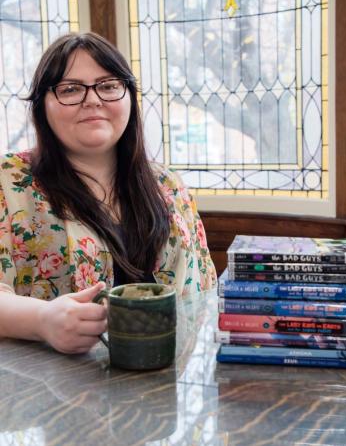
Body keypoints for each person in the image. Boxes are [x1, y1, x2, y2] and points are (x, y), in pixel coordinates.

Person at [0, 32, 216, 354]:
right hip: (49, 389)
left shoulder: (169, 186)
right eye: (70, 89)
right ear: (41, 105)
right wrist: (42, 319)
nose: (93, 99)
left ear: (129, 95)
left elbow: (205, 296)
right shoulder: (8, 182)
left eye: (109, 85)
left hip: (165, 381)